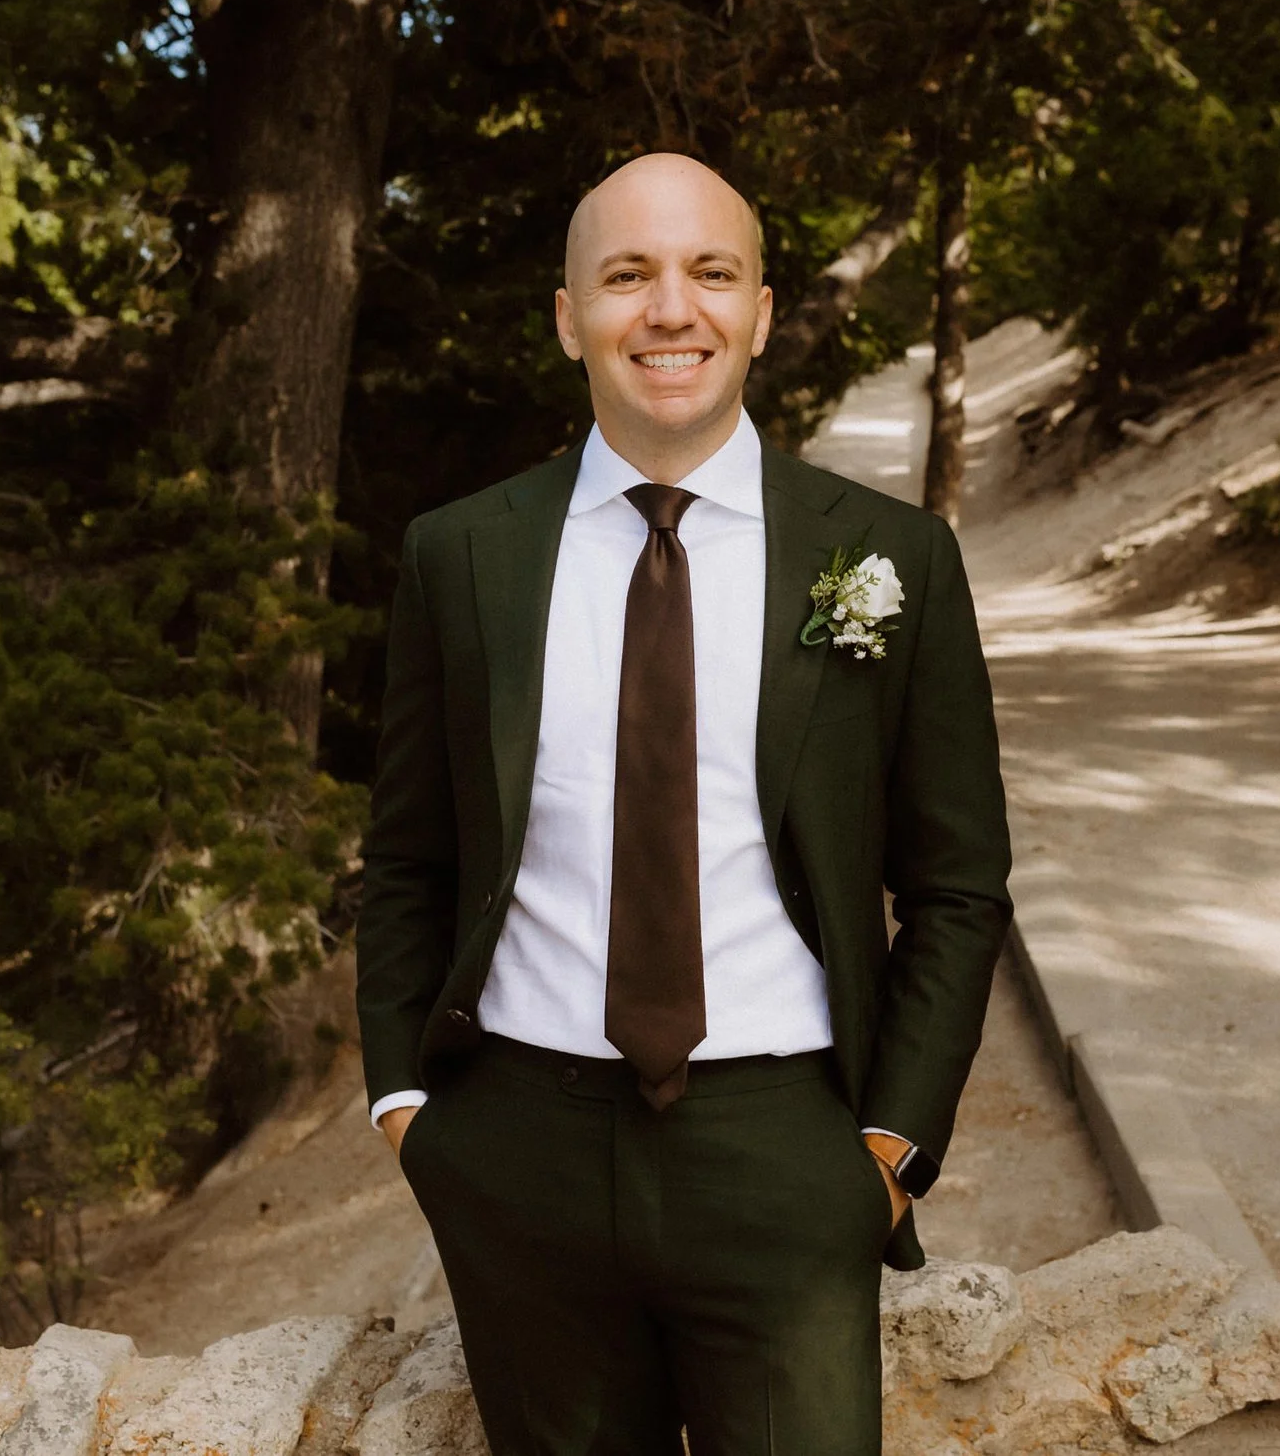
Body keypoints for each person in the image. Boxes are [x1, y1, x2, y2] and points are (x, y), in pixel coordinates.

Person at [356, 151, 1012, 1454]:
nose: (671, 308)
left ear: (760, 311)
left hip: (785, 1148)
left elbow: (956, 884)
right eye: (627, 274)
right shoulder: (462, 554)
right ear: (568, 317)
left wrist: (886, 1147)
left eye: (711, 272)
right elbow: (407, 859)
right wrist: (408, 1112)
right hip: (520, 1153)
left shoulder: (888, 560)